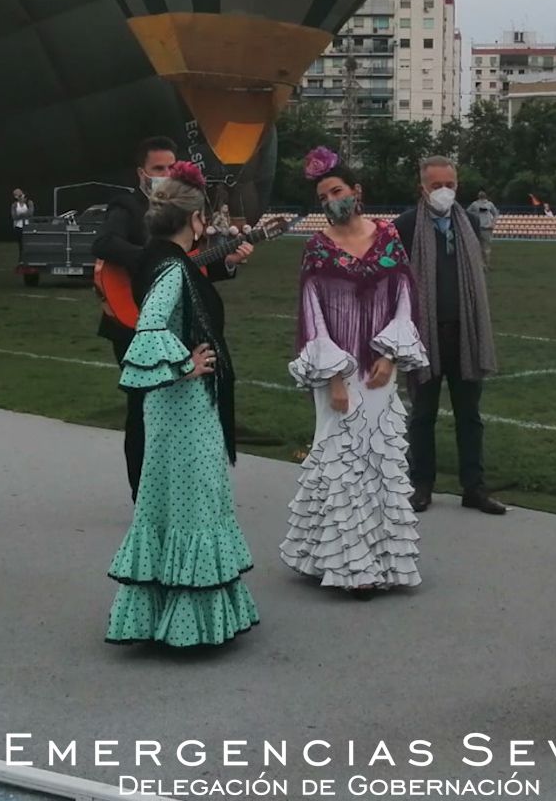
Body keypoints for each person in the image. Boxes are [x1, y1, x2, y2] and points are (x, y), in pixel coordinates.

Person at [105, 163, 258, 648]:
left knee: (168, 500)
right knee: (194, 499)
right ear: (194, 222)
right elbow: (149, 328)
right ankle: (190, 620)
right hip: (185, 404)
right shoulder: (172, 267)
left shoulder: (160, 259)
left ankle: (160, 614)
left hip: (167, 405)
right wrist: (183, 365)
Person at [281, 150, 427, 597]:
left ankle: (385, 560)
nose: (331, 200)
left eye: (337, 191)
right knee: (340, 460)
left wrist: (391, 356)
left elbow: (404, 295)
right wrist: (334, 378)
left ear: (356, 192)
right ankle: (346, 565)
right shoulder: (317, 249)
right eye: (323, 196)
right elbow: (313, 315)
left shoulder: (388, 238)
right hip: (339, 374)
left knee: (380, 458)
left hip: (381, 371)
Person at [95, 137, 253, 501]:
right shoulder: (126, 205)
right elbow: (104, 243)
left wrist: (226, 263)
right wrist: (151, 262)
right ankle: (142, 492)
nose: (166, 175)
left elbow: (190, 272)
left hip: (177, 326)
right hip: (130, 320)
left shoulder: (185, 214)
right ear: (141, 173)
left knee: (177, 408)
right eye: (158, 169)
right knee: (143, 406)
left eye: (171, 168)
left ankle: (177, 489)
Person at [396, 156, 504, 515]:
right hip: (423, 335)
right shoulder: (405, 226)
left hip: (466, 333)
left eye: (450, 185)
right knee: (422, 415)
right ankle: (421, 485)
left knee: (469, 416)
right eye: (436, 185)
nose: (444, 192)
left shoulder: (469, 221)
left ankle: (474, 487)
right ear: (422, 188)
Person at [466, 191, 500, 267]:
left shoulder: (476, 204)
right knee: (485, 248)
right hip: (484, 228)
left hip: (481, 228)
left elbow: (467, 213)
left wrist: (493, 223)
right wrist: (493, 223)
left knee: (481, 247)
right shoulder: (486, 204)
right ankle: (485, 264)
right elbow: (496, 214)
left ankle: (483, 264)